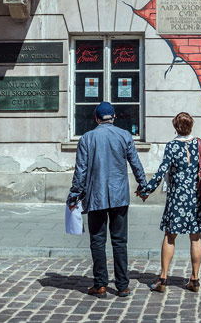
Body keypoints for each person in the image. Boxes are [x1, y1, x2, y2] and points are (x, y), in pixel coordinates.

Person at [67, 102, 147, 298]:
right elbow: (136, 163)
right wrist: (143, 186)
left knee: (97, 241)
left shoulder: (87, 138)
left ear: (96, 118)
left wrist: (74, 194)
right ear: (114, 117)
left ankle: (101, 284)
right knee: (120, 242)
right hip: (119, 197)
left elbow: (81, 172)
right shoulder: (124, 135)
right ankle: (122, 285)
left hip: (96, 196)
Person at [138, 113, 201, 293]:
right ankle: (195, 279)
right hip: (196, 198)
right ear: (191, 126)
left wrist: (146, 190)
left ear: (175, 127)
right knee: (196, 237)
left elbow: (161, 171)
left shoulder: (172, 146)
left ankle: (163, 278)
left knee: (169, 236)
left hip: (177, 198)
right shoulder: (200, 144)